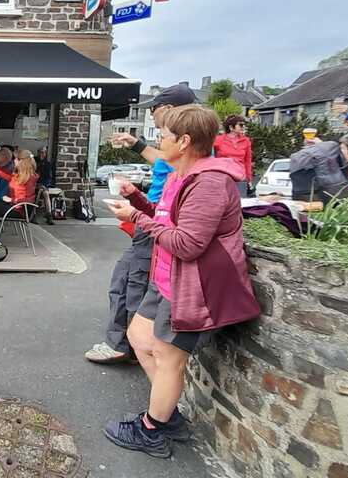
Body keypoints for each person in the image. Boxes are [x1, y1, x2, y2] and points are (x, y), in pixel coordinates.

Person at [105, 105, 259, 457]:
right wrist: (136, 200)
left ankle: (153, 430)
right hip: (165, 279)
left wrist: (136, 218)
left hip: (192, 287)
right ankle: (166, 415)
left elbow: (188, 244)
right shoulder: (180, 175)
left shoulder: (210, 183)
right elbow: (165, 219)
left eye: (163, 136)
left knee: (168, 357)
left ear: (184, 141)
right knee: (138, 337)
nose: (159, 141)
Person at [85, 84, 198, 366]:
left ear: (169, 110)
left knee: (133, 283)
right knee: (125, 279)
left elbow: (172, 174)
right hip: (152, 220)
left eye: (154, 110)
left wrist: (137, 213)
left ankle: (131, 347)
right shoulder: (182, 149)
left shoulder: (189, 153)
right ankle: (127, 344)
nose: (152, 115)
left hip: (156, 227)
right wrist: (136, 195)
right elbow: (164, 162)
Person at [213, 115, 253, 197]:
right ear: (231, 127)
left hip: (240, 177)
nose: (243, 127)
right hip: (223, 177)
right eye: (240, 125)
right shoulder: (218, 140)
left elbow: (248, 161)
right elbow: (211, 157)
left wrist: (249, 179)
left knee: (240, 200)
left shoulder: (246, 141)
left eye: (244, 125)